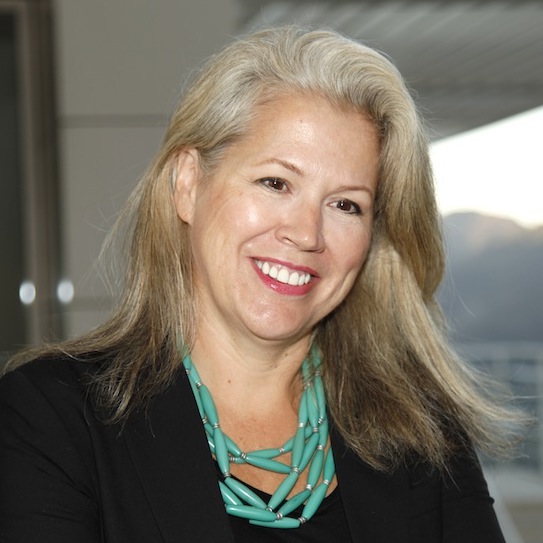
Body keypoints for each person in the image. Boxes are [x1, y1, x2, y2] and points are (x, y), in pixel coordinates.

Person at [0, 25, 522, 542]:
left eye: (346, 205)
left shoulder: (424, 437)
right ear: (188, 184)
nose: (307, 234)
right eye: (276, 182)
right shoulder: (51, 418)